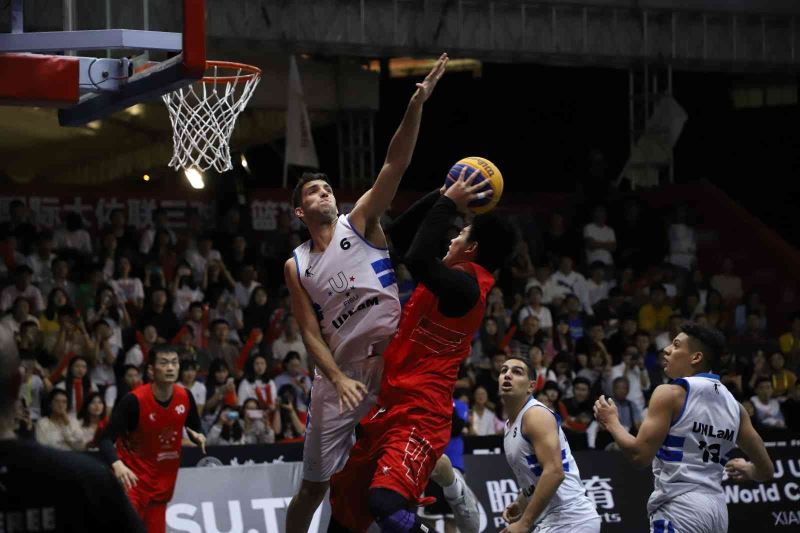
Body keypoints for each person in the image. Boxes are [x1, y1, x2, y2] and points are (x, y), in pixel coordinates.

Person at [284, 53, 449, 532]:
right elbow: (310, 334)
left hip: (393, 362)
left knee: (423, 447)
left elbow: (395, 161)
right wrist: (336, 378)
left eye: (327, 188)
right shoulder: (296, 265)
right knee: (314, 488)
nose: (324, 194)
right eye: (314, 192)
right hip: (343, 377)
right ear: (299, 211)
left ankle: (456, 494)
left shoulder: (359, 222)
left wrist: (416, 104)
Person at [328, 168, 517, 533]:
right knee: (345, 518)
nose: (451, 239)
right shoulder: (449, 278)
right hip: (388, 405)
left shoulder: (466, 289)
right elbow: (400, 239)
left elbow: (417, 258)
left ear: (472, 248)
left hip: (421, 415)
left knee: (385, 504)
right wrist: (440, 192)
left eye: (459, 234)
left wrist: (449, 203)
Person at [594, 323, 774, 533]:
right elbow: (766, 470)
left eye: (676, 345)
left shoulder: (670, 393)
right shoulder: (737, 408)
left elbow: (639, 456)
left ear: (696, 358)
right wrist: (749, 469)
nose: (667, 349)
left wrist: (611, 422)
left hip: (680, 508)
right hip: (716, 511)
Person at [0, 350, 146, 532]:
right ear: (17, 385)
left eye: (64, 402)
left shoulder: (90, 472)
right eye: (57, 402)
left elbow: (80, 444)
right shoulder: (91, 478)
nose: (61, 406)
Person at [98, 345, 206, 533]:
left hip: (161, 487)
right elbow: (105, 439)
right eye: (164, 363)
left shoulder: (185, 397)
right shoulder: (133, 401)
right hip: (132, 483)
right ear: (151, 370)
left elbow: (194, 425)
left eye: (174, 363)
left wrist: (197, 435)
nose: (170, 368)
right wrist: (118, 465)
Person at [498, 357, 600, 533]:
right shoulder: (509, 426)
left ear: (531, 386)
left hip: (571, 518)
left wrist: (524, 524)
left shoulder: (536, 415)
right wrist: (521, 502)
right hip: (553, 520)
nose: (507, 375)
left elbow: (554, 472)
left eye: (516, 372)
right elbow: (536, 476)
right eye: (504, 370)